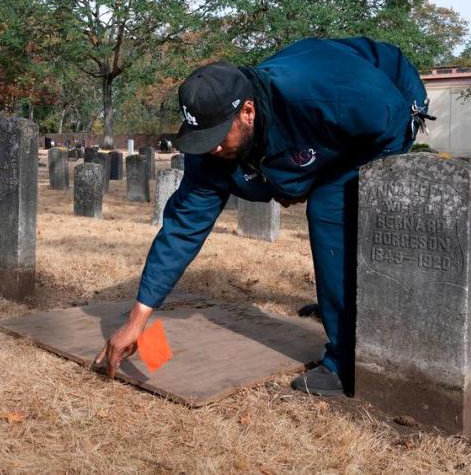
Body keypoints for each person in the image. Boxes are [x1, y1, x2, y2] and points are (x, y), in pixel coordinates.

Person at [94, 37, 431, 396]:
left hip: (389, 99)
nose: (213, 148)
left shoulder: (319, 96)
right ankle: (341, 300)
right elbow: (183, 229)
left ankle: (345, 363)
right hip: (343, 109)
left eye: (218, 137)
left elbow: (386, 115)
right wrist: (136, 321)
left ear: (248, 112)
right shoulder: (211, 150)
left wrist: (306, 178)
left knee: (329, 208)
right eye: (202, 138)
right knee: (320, 201)